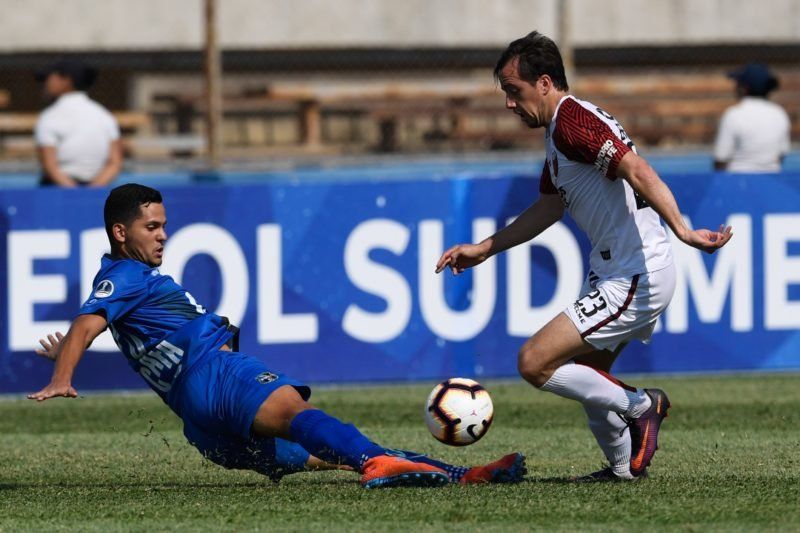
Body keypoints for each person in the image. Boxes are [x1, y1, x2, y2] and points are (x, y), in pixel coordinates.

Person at [29, 183, 526, 489]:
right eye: (152, 227)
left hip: (199, 425)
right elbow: (85, 326)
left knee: (328, 454)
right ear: (121, 232)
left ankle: (457, 474)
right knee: (308, 418)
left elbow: (100, 327)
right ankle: (390, 464)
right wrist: (63, 374)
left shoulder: (118, 288)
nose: (163, 235)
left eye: (165, 226)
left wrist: (70, 355)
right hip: (218, 377)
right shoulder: (125, 279)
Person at [435, 31, 733, 482]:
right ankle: (621, 471)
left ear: (545, 83)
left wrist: (684, 230)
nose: (509, 104)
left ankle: (642, 405)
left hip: (637, 273)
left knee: (534, 362)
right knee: (590, 379)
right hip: (617, 270)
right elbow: (550, 207)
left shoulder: (574, 118)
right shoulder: (559, 131)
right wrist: (485, 248)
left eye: (514, 91)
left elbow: (637, 168)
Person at [35, 58, 122, 187]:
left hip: (58, 190)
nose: (45, 84)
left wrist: (75, 192)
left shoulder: (50, 116)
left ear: (66, 80)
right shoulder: (105, 116)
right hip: (97, 189)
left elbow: (50, 165)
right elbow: (115, 163)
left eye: (49, 78)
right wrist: (92, 189)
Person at [713, 62, 791, 173]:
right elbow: (781, 154)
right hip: (771, 181)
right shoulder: (779, 114)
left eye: (738, 83)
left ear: (744, 88)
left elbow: (720, 159)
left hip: (738, 182)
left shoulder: (733, 115)